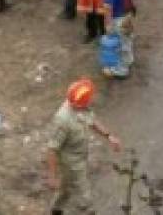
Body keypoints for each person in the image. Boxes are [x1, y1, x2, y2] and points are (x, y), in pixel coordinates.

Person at [46, 79, 122, 214]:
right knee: (85, 194)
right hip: (71, 163)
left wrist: (109, 136)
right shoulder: (63, 120)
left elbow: (92, 121)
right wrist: (52, 177)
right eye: (89, 99)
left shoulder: (83, 107)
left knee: (66, 188)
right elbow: (52, 149)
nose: (91, 100)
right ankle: (89, 210)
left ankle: (56, 209)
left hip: (81, 156)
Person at [102, 0, 138, 79]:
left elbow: (107, 8)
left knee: (121, 42)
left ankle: (122, 69)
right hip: (129, 15)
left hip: (117, 19)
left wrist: (107, 24)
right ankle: (129, 59)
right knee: (128, 38)